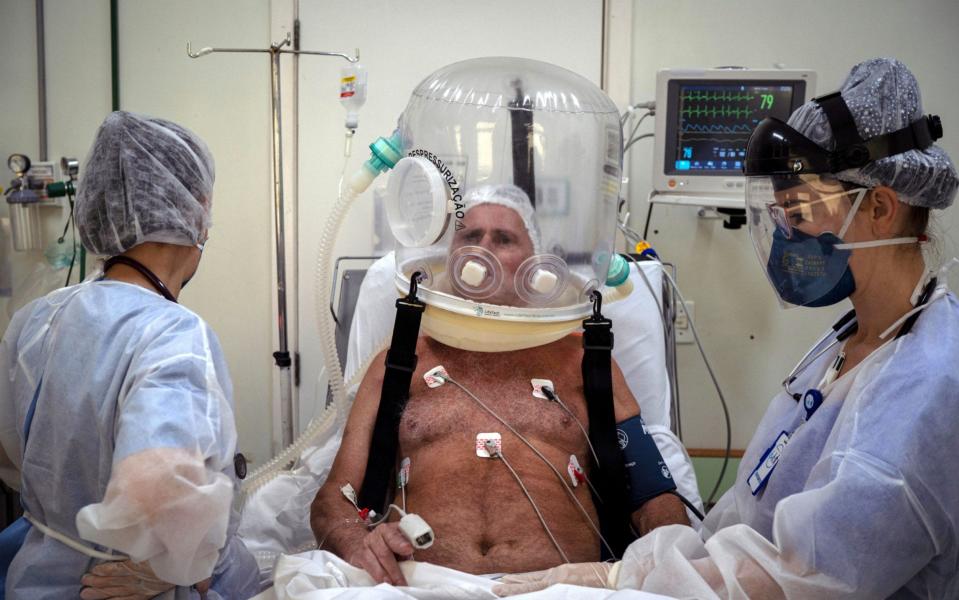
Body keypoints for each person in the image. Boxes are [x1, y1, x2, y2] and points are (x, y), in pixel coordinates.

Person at [495, 57, 959, 599]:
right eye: (781, 215)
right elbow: (749, 515)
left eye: (800, 212)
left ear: (879, 206)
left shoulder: (929, 379)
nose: (787, 235)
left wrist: (626, 578)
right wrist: (649, 569)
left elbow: (810, 575)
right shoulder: (848, 342)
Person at [309, 184, 689, 586]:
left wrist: (640, 571)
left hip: (563, 590)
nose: (483, 249)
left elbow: (653, 497)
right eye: (469, 236)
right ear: (448, 257)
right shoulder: (399, 365)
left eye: (504, 238)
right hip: (420, 589)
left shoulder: (584, 362)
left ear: (536, 265)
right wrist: (359, 544)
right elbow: (333, 500)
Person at [0, 111, 260, 599]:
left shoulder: (36, 320)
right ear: (196, 209)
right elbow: (157, 485)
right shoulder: (174, 333)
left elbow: (13, 455)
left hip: (35, 578)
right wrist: (180, 561)